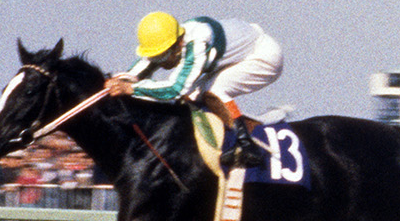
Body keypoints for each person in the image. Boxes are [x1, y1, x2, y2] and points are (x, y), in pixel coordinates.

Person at [104, 12, 284, 168]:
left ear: (179, 44)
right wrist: (119, 80)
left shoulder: (197, 44)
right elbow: (142, 68)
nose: (161, 61)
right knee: (192, 96)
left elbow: (175, 89)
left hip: (263, 56)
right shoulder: (171, 39)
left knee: (214, 89)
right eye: (156, 55)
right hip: (237, 55)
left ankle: (246, 145)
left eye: (163, 55)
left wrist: (131, 88)